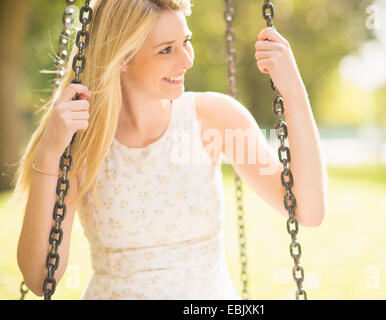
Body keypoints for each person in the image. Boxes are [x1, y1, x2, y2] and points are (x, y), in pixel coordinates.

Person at [10, 0, 327, 299]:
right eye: (166, 50)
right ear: (121, 58)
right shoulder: (83, 142)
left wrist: (293, 91)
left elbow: (308, 211)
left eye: (186, 41)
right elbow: (41, 278)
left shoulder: (212, 120)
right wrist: (50, 152)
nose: (187, 59)